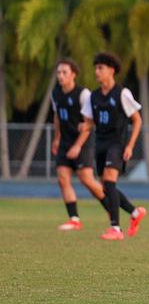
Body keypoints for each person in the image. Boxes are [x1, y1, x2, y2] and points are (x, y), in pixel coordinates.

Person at [90, 52, 147, 241]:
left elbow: (137, 120)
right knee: (106, 187)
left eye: (101, 68)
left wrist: (130, 146)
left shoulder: (122, 93)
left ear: (111, 71)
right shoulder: (94, 96)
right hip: (100, 144)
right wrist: (83, 127)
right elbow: (89, 121)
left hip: (116, 144)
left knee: (109, 181)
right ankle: (135, 212)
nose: (97, 72)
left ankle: (115, 228)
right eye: (96, 68)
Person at [50, 59, 106, 230]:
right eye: (58, 72)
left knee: (86, 180)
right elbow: (57, 116)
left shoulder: (83, 94)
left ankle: (111, 207)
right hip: (65, 141)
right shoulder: (55, 93)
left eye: (64, 72)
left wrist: (78, 146)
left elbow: (89, 123)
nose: (60, 76)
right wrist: (57, 138)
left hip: (83, 140)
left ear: (73, 74)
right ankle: (74, 219)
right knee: (62, 178)